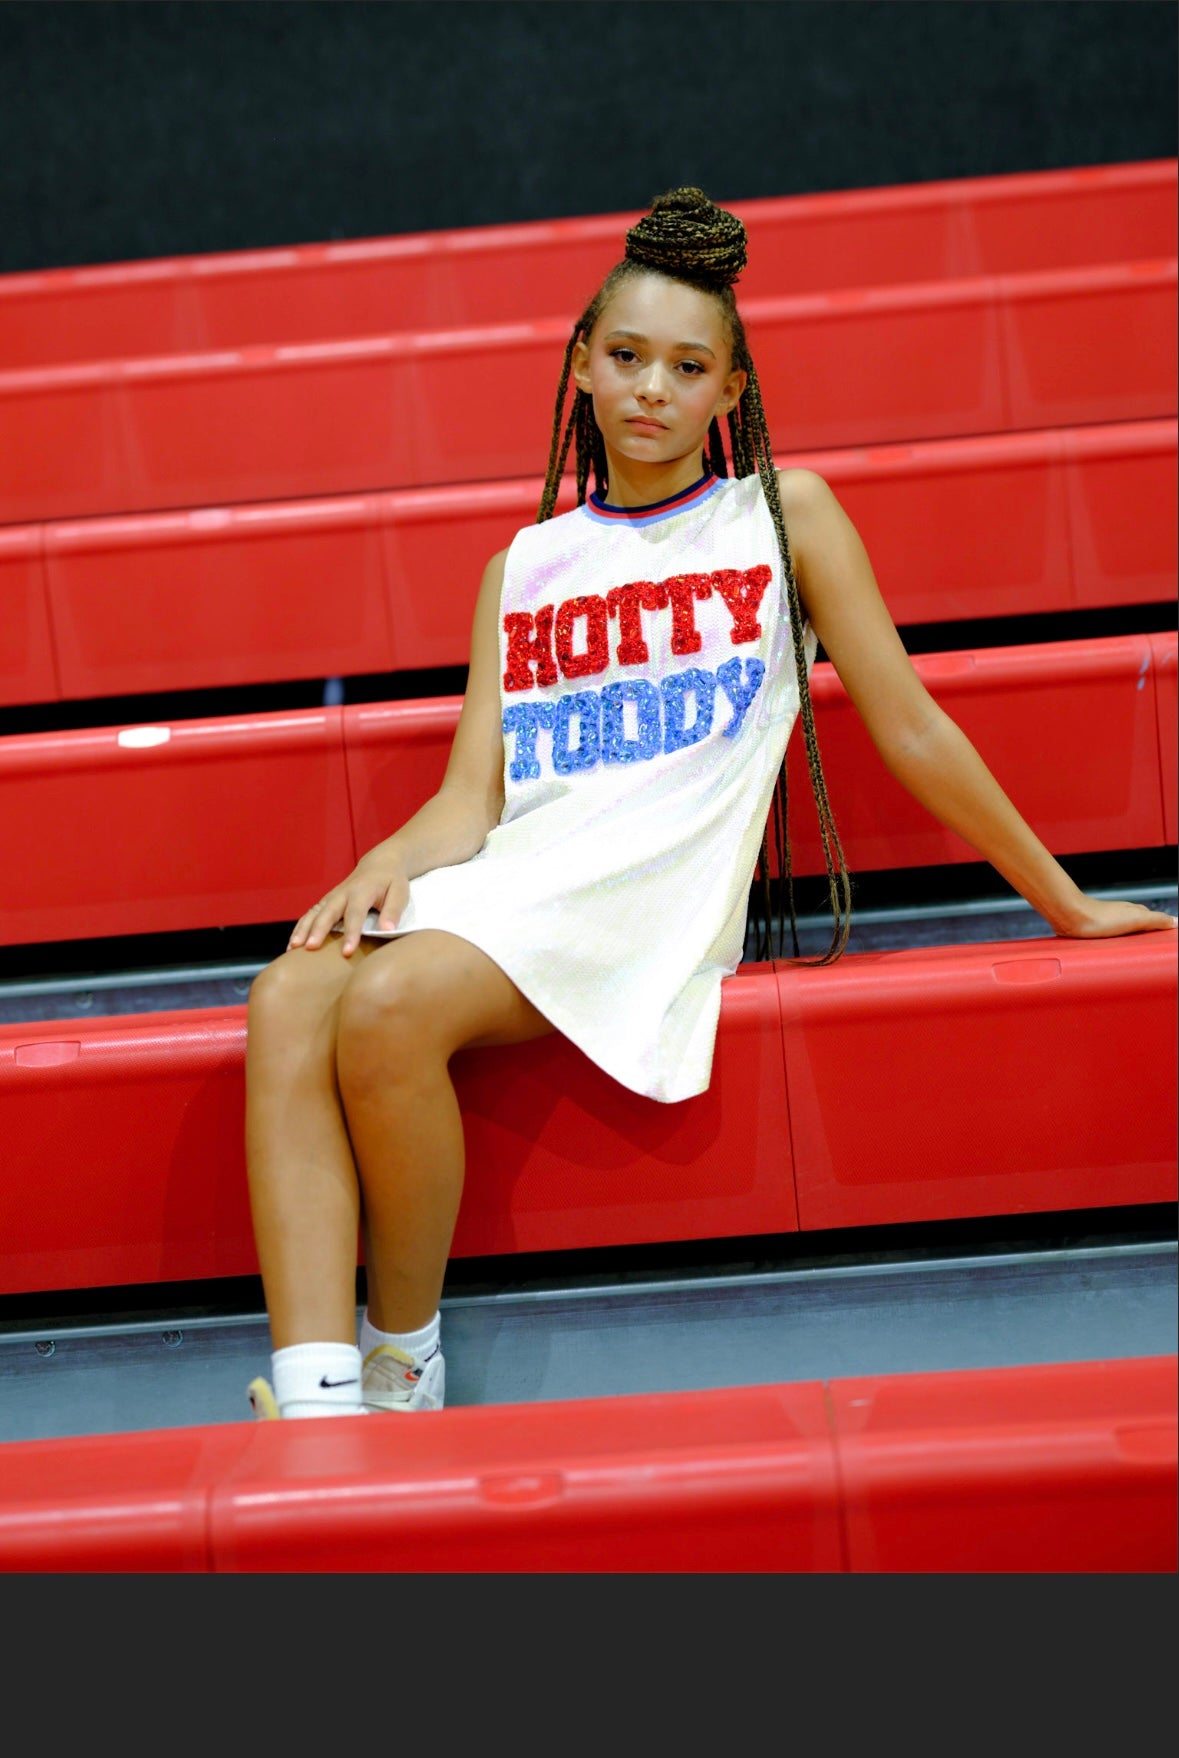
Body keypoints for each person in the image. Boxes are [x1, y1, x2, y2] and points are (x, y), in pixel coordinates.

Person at [243, 186, 1176, 1421]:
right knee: (291, 988)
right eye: (626, 357)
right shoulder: (523, 566)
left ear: (730, 393)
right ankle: (312, 1408)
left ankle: (400, 1365)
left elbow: (910, 724)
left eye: (688, 368)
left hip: (648, 886)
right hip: (526, 871)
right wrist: (384, 862)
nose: (651, 389)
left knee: (393, 1004)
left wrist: (1060, 901)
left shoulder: (782, 519)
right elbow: (475, 796)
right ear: (581, 364)